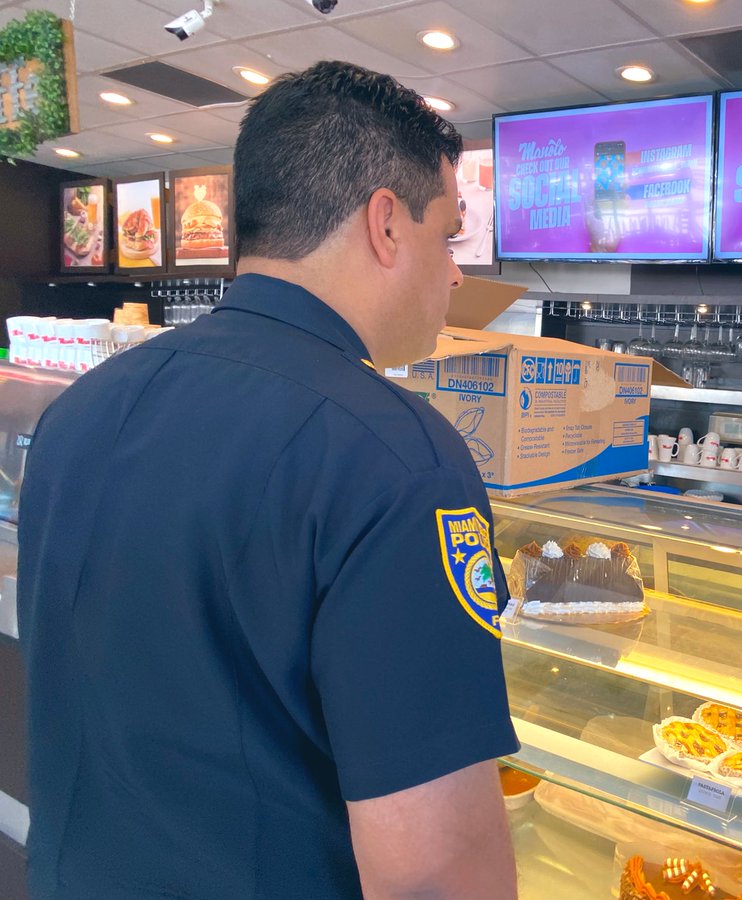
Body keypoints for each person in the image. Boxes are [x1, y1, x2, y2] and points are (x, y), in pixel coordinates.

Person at [18, 61, 519, 899]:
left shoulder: (81, 410)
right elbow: (434, 869)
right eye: (450, 235)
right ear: (386, 225)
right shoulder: (397, 460)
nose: (458, 272)